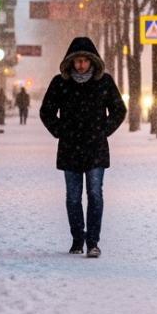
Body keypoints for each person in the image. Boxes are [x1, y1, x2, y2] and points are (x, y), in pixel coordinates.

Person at [40, 37, 127, 258]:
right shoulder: (60, 83)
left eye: (84, 61)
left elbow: (119, 110)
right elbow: (46, 111)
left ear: (92, 62)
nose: (80, 65)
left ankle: (93, 242)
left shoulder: (104, 82)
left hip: (96, 148)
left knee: (95, 194)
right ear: (70, 62)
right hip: (70, 148)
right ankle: (77, 239)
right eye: (77, 60)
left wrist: (103, 130)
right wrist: (61, 131)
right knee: (73, 197)